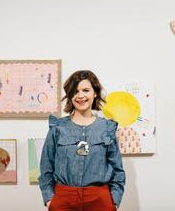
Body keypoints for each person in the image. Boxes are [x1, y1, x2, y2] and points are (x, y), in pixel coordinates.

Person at [39, 70, 126, 211]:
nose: (80, 96)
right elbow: (46, 167)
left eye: (86, 90)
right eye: (75, 91)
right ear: (70, 95)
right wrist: (49, 199)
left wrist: (114, 201)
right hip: (63, 199)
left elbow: (118, 169)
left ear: (95, 93)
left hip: (100, 200)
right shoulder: (57, 128)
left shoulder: (107, 128)